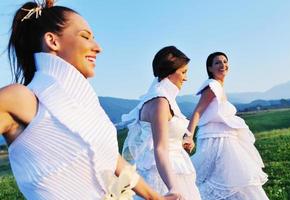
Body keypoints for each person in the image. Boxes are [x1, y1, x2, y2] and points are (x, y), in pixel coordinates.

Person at [0, 1, 179, 199]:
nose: (98, 47)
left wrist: (155, 197)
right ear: (52, 41)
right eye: (85, 36)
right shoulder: (22, 99)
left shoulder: (89, 108)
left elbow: (113, 159)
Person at [122, 46, 202, 200]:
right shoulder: (160, 102)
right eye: (183, 72)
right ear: (170, 71)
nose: (186, 78)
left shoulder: (162, 98)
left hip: (174, 167)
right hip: (162, 175)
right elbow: (160, 149)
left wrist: (182, 140)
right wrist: (173, 188)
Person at [186, 52, 269, 199]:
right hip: (217, 139)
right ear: (210, 68)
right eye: (217, 63)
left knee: (235, 179)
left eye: (225, 62)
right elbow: (197, 112)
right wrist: (189, 136)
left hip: (225, 137)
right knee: (233, 178)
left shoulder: (218, 86)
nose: (223, 65)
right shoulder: (212, 86)